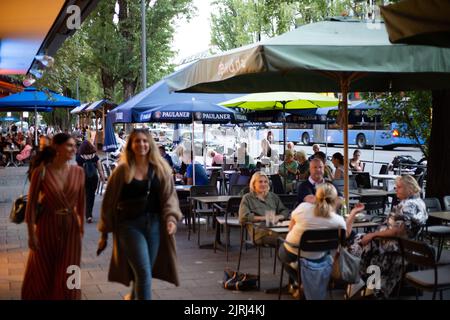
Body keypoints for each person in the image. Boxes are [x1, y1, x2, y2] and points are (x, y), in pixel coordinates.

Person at [97, 128, 182, 300]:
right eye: (137, 141)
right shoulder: (121, 170)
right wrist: (104, 233)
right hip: (128, 226)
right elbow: (109, 202)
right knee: (143, 272)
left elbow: (169, 196)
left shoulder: (161, 169)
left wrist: (171, 218)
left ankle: (132, 297)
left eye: (144, 141)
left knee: (144, 272)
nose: (141, 144)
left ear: (150, 144)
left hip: (155, 225)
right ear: (130, 145)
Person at [22, 133, 85, 299]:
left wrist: (81, 228)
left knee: (71, 271)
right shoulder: (41, 172)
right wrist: (31, 234)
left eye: (75, 146)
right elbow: (31, 205)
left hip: (71, 228)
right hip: (46, 226)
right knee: (43, 271)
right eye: (69, 145)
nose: (74, 149)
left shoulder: (79, 172)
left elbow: (82, 203)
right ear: (57, 147)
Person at [346, 175, 428, 298]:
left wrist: (373, 235)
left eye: (399, 187)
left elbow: (397, 231)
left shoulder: (408, 205)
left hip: (393, 247)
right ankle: (369, 286)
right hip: (402, 245)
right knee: (359, 239)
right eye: (396, 187)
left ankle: (370, 287)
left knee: (357, 245)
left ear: (410, 189)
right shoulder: (419, 202)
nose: (396, 190)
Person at [279, 183, 364, 299]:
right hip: (319, 257)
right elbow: (346, 236)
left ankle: (300, 282)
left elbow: (290, 229)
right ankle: (306, 283)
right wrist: (353, 213)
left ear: (315, 196)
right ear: (335, 199)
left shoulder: (303, 207)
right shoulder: (337, 220)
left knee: (281, 251)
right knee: (321, 256)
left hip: (294, 252)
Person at [239, 172, 290, 246]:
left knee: (296, 237)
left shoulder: (273, 196)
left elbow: (285, 211)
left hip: (277, 229)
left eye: (265, 182)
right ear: (254, 184)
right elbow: (243, 217)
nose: (263, 184)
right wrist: (264, 218)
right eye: (260, 182)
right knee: (287, 240)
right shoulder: (247, 198)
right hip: (260, 233)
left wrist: (278, 217)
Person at [76, 140, 106, 223]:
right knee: (91, 196)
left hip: (83, 178)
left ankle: (84, 213)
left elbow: (78, 170)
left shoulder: (79, 157)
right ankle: (89, 215)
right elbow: (100, 169)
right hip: (93, 178)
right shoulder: (95, 156)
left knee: (84, 196)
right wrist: (103, 179)